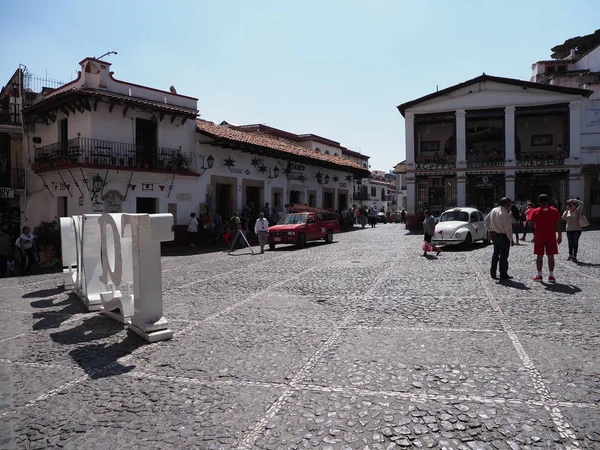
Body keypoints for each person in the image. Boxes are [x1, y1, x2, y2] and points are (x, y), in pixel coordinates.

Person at [530, 194, 562, 282]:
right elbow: (558, 224)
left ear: (539, 201)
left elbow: (530, 223)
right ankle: (551, 275)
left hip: (539, 236)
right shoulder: (554, 211)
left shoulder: (535, 211)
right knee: (551, 256)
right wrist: (559, 235)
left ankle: (539, 275)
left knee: (539, 256)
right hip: (551, 236)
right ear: (548, 201)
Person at [484, 197, 514, 280]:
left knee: (495, 254)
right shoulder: (504, 213)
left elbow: (486, 221)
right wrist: (511, 239)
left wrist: (490, 230)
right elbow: (508, 228)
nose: (510, 206)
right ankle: (503, 274)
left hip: (494, 235)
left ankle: (493, 273)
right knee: (503, 256)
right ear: (505, 204)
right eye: (509, 204)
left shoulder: (494, 210)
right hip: (503, 236)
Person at [562, 198, 584, 262]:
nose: (571, 206)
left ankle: (575, 255)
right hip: (569, 229)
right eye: (570, 205)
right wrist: (566, 211)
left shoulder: (577, 211)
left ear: (574, 205)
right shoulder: (567, 212)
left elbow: (582, 203)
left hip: (577, 229)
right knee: (570, 242)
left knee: (575, 242)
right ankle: (570, 255)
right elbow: (563, 218)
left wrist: (574, 200)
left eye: (572, 205)